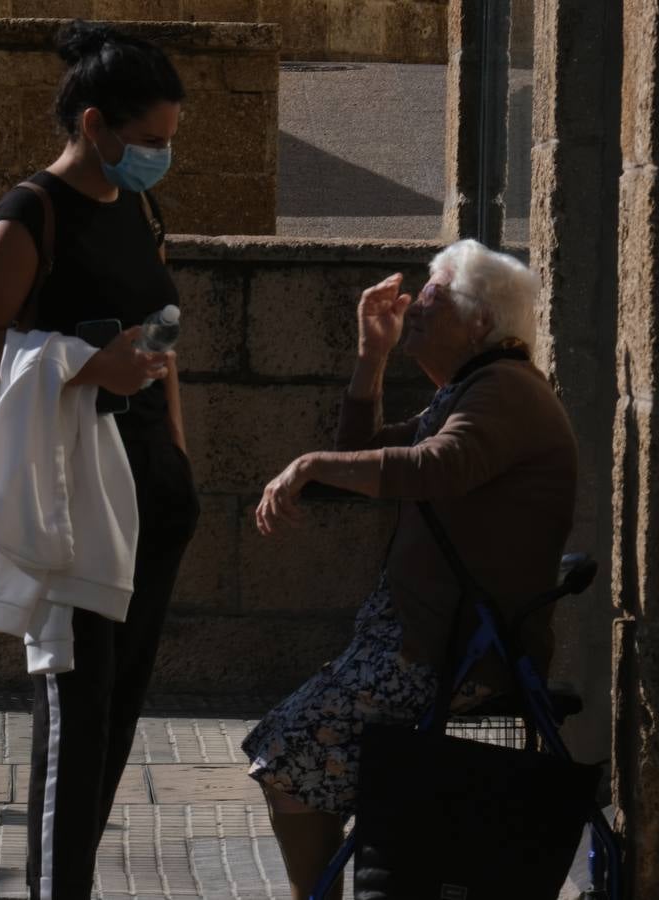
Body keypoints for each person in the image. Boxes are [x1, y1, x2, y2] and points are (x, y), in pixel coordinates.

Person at [241, 239, 578, 900]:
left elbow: (431, 467)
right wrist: (372, 357)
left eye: (431, 297)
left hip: (448, 655)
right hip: (422, 644)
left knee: (285, 758)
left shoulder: (504, 391)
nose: (412, 308)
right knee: (287, 751)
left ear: (477, 322)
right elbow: (362, 456)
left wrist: (307, 464)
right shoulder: (473, 390)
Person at [0, 22, 199, 899]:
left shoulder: (138, 208)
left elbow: (161, 340)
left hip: (149, 487)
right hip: (74, 489)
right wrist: (91, 366)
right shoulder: (29, 215)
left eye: (168, 141)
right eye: (150, 141)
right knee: (75, 711)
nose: (160, 157)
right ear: (96, 125)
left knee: (119, 711)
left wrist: (175, 449)